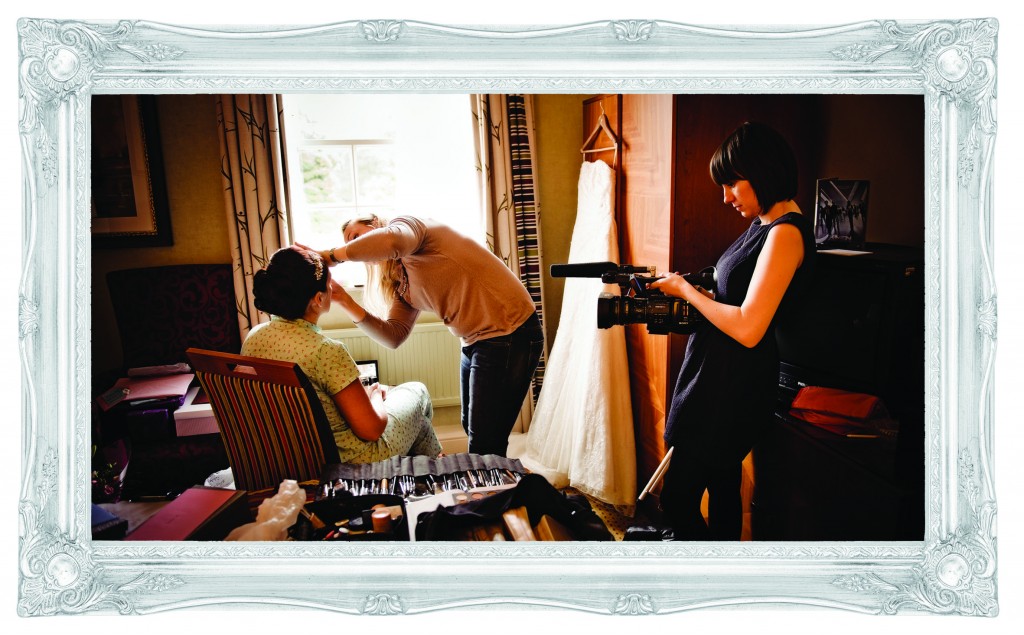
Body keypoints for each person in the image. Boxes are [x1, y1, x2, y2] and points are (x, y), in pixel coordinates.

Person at [649, 122, 816, 540]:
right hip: (718, 377)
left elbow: (748, 326)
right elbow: (737, 296)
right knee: (723, 489)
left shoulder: (785, 234)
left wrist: (687, 291)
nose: (725, 197)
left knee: (678, 499)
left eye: (732, 184)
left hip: (732, 386)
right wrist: (701, 291)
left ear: (762, 172)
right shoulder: (764, 223)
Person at [313, 214, 543, 457]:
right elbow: (394, 336)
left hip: (510, 331)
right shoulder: (402, 280)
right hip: (475, 340)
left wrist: (331, 256)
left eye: (356, 238)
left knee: (485, 440)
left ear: (376, 225)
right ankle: (495, 478)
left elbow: (391, 241)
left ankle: (497, 481)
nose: (355, 248)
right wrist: (345, 301)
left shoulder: (411, 229)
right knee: (472, 426)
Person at [243, 246, 442, 464]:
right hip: (348, 459)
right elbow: (372, 430)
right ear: (318, 299)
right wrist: (375, 395)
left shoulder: (254, 337)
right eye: (329, 284)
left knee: (420, 425)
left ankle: (436, 466)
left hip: (288, 454)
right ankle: (438, 471)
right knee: (417, 391)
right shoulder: (325, 350)